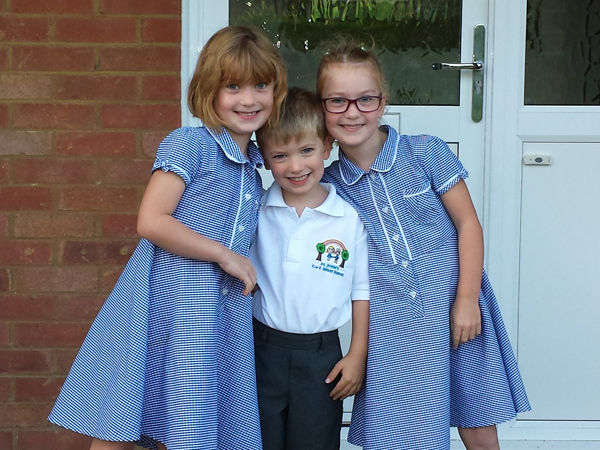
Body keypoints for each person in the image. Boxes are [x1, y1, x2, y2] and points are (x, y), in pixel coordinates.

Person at [47, 26, 287, 450]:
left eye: (260, 85)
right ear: (208, 91)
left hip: (218, 312)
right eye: (233, 86)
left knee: (191, 422)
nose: (249, 99)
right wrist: (224, 255)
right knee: (121, 421)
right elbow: (152, 220)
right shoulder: (190, 143)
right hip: (167, 300)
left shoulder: (253, 166)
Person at [317, 39, 531, 450]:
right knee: (405, 433)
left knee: (478, 418)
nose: (352, 112)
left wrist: (467, 297)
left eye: (365, 99)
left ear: (382, 101)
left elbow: (468, 224)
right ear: (322, 106)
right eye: (337, 101)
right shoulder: (328, 189)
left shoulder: (425, 152)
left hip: (454, 305)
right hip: (392, 327)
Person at [251, 87, 370, 450]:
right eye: (280, 155)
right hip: (260, 349)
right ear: (266, 160)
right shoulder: (256, 212)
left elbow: (361, 291)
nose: (296, 166)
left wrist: (356, 355)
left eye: (307, 151)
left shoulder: (348, 219)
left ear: (326, 148)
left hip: (322, 358)